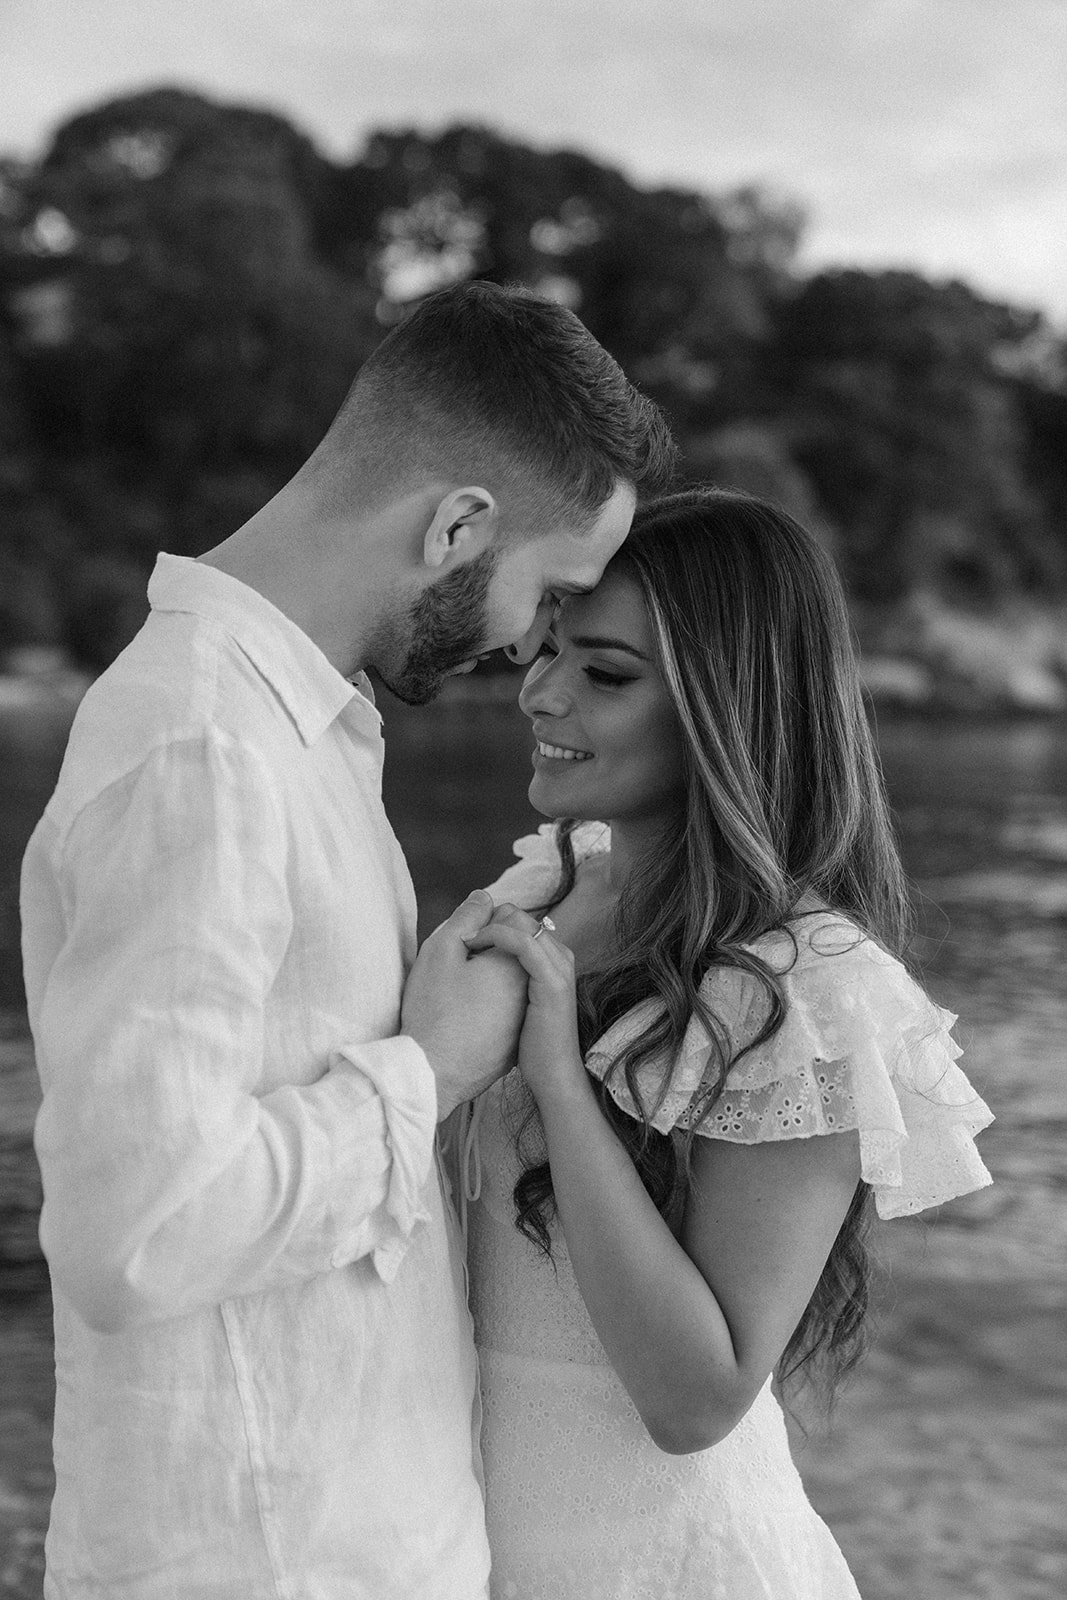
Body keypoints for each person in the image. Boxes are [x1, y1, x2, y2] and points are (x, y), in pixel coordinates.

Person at [19, 280, 677, 1600]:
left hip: (346, 1539)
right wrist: (424, 1074)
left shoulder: (297, 732)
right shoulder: (205, 744)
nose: (522, 646)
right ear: (455, 526)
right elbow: (133, 1234)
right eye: (544, 589)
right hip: (263, 1564)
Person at [458, 487, 994, 1599]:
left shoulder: (808, 993)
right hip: (458, 1541)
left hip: (660, 1566)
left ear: (727, 705)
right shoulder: (534, 892)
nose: (541, 691)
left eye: (604, 672)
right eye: (546, 647)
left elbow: (697, 1399)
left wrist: (559, 1076)